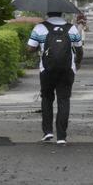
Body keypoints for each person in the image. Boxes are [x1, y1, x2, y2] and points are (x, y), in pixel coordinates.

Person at [27, 12, 83, 145]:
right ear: (62, 13)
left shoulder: (40, 28)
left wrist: (39, 49)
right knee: (63, 100)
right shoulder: (71, 28)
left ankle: (48, 132)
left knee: (46, 98)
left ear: (48, 13)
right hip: (67, 69)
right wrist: (78, 62)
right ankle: (62, 136)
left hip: (46, 70)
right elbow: (79, 49)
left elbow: (30, 48)